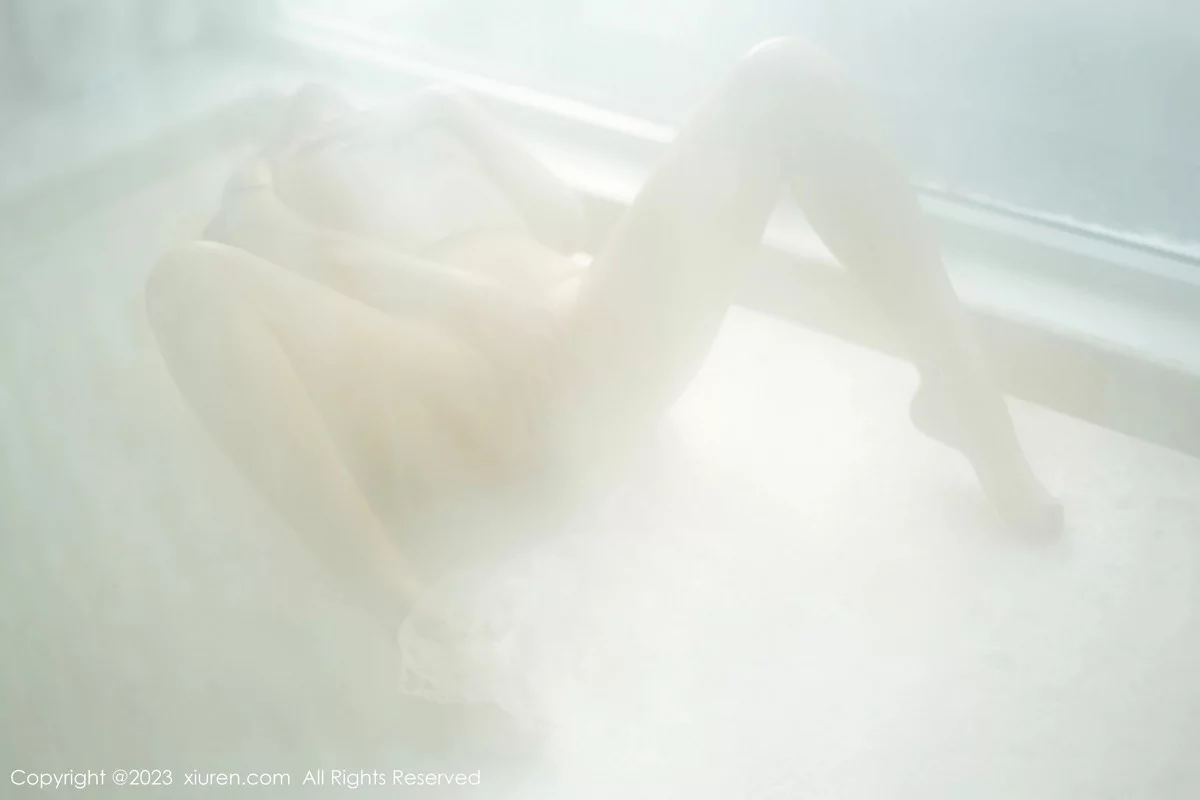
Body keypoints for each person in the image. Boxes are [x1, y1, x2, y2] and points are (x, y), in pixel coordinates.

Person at [145, 38, 1062, 643]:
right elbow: (253, 296)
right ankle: (414, 629)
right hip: (480, 386)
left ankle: (959, 381)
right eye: (304, 121)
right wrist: (291, 202)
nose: (325, 113)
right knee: (184, 281)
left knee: (784, 75)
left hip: (589, 338)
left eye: (338, 110)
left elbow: (561, 217)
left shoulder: (419, 128)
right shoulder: (275, 187)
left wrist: (450, 110)